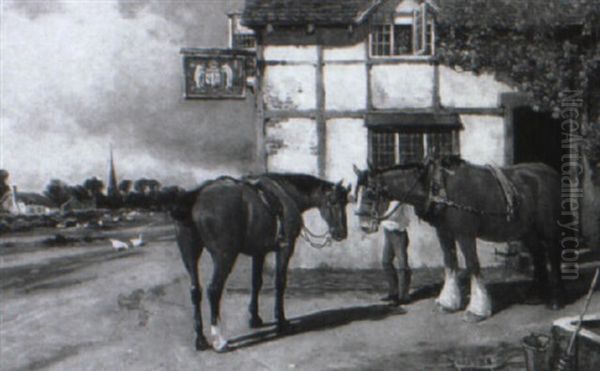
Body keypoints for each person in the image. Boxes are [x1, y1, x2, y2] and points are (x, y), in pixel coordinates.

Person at [380, 201, 412, 306]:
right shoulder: (386, 197)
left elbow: (394, 215)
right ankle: (394, 292)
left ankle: (403, 296)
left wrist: (379, 215)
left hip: (398, 232)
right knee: (386, 262)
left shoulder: (399, 199)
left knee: (402, 265)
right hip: (388, 231)